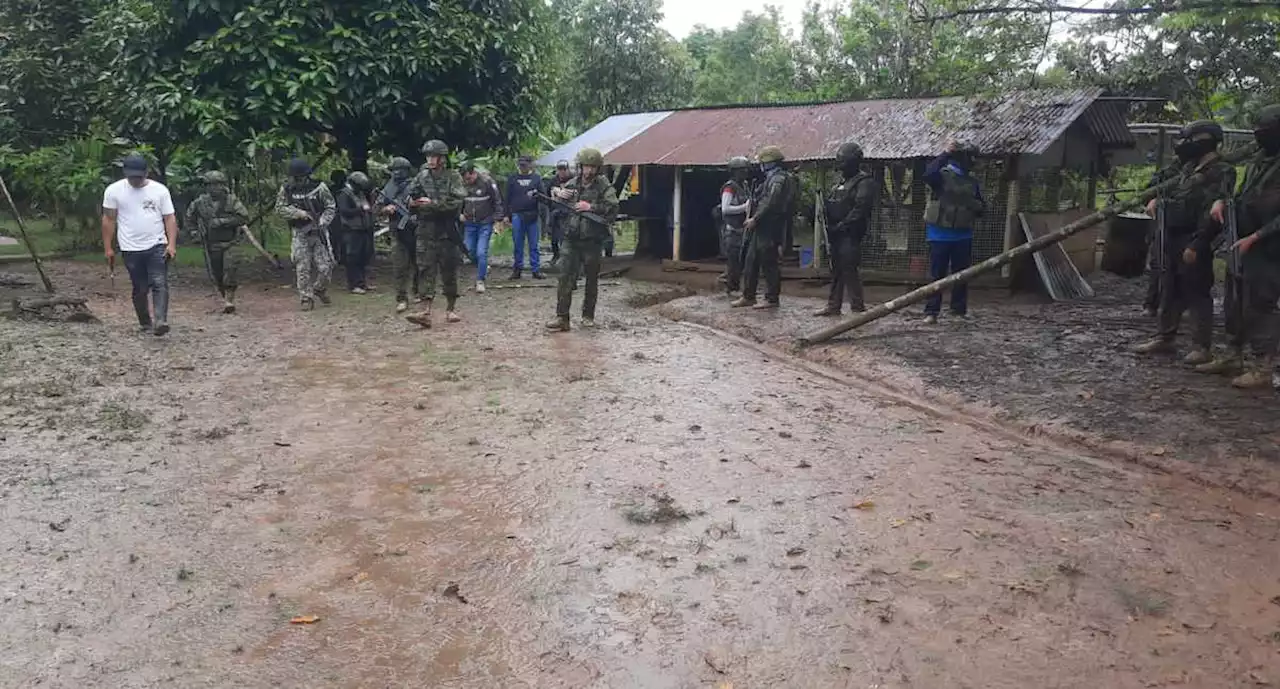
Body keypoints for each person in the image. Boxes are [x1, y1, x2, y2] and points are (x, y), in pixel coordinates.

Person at [1132, 121, 1236, 364]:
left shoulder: (1221, 170)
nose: (1183, 146)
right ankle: (1165, 337)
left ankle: (1201, 346)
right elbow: (1156, 187)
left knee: (1196, 290)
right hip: (1171, 234)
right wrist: (1155, 200)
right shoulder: (1186, 167)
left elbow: (1215, 212)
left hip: (1194, 236)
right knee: (1169, 287)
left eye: (1189, 140)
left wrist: (1198, 243)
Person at [1200, 105, 1280, 388]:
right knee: (1234, 301)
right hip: (1244, 240)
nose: (1260, 137)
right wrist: (1223, 202)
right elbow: (1245, 194)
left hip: (1270, 247)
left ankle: (1263, 367)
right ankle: (1233, 354)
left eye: (1266, 133)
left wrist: (1256, 237)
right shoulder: (1260, 159)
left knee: (1261, 305)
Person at [102, 152, 178, 336]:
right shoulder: (113, 191)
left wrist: (171, 244)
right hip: (130, 247)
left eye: (138, 176)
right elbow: (108, 219)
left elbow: (169, 218)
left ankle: (160, 320)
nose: (135, 180)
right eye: (131, 176)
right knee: (140, 287)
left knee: (159, 282)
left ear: (146, 173)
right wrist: (108, 248)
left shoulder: (159, 191)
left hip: (157, 244)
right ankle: (145, 321)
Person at [545, 147, 619, 331]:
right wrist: (557, 193)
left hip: (592, 240)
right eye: (586, 166)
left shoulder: (603, 185)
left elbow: (613, 206)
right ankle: (562, 317)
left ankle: (588, 316)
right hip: (571, 237)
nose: (589, 171)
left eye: (593, 167)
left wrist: (590, 206)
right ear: (580, 166)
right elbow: (560, 199)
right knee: (564, 277)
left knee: (591, 279)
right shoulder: (573, 183)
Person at [921, 141, 985, 324]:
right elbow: (927, 174)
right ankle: (932, 311)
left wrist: (971, 205)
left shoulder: (972, 182)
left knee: (961, 275)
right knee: (936, 275)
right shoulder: (941, 175)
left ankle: (958, 310)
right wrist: (946, 153)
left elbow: (982, 208)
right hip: (939, 235)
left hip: (963, 235)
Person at [405, 139, 465, 328]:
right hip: (425, 229)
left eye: (434, 156)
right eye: (428, 156)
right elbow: (410, 195)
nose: (430, 159)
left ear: (442, 158)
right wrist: (412, 203)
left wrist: (433, 205)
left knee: (449, 269)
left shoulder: (453, 176)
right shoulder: (421, 176)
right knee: (425, 269)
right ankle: (425, 310)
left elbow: (456, 201)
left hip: (446, 229)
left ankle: (451, 308)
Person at [733, 145, 797, 310]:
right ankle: (748, 296)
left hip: (770, 226)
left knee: (769, 263)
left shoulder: (778, 179)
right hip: (762, 226)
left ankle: (772, 298)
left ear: (768, 163)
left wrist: (755, 218)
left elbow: (771, 202)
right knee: (751, 260)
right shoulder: (770, 178)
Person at [816, 141, 876, 316]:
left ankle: (857, 307)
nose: (841, 167)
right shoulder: (841, 182)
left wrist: (843, 225)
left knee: (849, 269)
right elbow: (833, 203)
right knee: (836, 270)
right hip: (836, 232)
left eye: (844, 162)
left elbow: (860, 208)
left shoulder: (864, 182)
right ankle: (833, 305)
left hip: (850, 233)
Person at [275, 157, 336, 311]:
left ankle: (320, 289)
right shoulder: (287, 189)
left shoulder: (319, 187)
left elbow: (330, 207)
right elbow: (280, 208)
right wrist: (298, 213)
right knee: (302, 267)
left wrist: (322, 222)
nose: (298, 180)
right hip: (300, 232)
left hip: (319, 232)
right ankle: (306, 298)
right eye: (295, 177)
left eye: (301, 177)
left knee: (326, 267)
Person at [185, 170, 249, 313]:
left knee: (230, 270)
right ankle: (224, 296)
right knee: (217, 274)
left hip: (231, 242)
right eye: (210, 185)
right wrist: (194, 232)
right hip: (212, 244)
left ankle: (229, 300)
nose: (214, 188)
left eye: (217, 185)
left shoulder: (232, 200)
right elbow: (189, 218)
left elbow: (243, 217)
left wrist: (223, 222)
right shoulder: (200, 202)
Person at [379, 157, 419, 312]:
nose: (396, 173)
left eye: (399, 170)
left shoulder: (415, 184)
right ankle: (401, 298)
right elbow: (377, 208)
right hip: (397, 231)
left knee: (419, 265)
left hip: (416, 229)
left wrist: (414, 206)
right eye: (394, 170)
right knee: (400, 267)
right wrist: (386, 209)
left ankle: (418, 292)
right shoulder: (388, 188)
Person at [460, 161, 504, 294]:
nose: (467, 181)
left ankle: (480, 280)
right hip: (469, 223)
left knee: (481, 251)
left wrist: (498, 219)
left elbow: (497, 201)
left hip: (485, 222)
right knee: (468, 250)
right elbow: (457, 201)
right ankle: (483, 266)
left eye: (468, 178)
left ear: (473, 173)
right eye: (465, 179)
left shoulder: (487, 182)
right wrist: (459, 214)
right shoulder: (461, 184)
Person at [337, 171, 376, 294]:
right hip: (351, 230)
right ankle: (353, 284)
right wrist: (360, 210)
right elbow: (344, 211)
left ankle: (362, 283)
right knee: (352, 257)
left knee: (363, 256)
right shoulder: (343, 194)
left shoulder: (359, 193)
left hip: (362, 229)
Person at [505, 154, 543, 280]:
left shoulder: (536, 179)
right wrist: (506, 215)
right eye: (521, 164)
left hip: (533, 214)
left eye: (525, 164)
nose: (523, 167)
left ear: (530, 164)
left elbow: (543, 197)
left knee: (534, 245)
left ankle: (536, 270)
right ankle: (517, 269)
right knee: (518, 244)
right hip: (517, 215)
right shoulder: (512, 178)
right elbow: (507, 198)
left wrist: (536, 196)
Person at [719, 156, 752, 295]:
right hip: (732, 231)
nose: (745, 173)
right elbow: (725, 209)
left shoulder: (744, 186)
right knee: (733, 262)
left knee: (739, 261)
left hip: (741, 230)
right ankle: (731, 288)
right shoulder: (729, 187)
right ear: (735, 171)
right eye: (742, 170)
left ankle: (733, 285)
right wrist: (744, 207)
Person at [541, 160, 574, 267]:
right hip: (555, 212)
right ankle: (556, 255)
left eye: (564, 169)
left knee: (566, 238)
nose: (562, 172)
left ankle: (568, 259)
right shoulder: (552, 181)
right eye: (560, 169)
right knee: (554, 237)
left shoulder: (574, 180)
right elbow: (546, 197)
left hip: (569, 213)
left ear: (568, 169)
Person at [329, 169, 348, 267]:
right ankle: (334, 257)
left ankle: (343, 258)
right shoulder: (331, 190)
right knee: (334, 238)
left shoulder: (347, 190)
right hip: (334, 216)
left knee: (344, 238)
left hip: (344, 216)